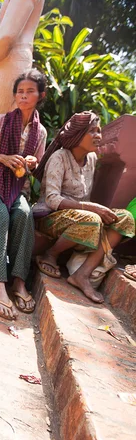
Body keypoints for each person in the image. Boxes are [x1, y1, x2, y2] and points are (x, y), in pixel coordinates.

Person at [33, 111, 135, 303]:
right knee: (91, 219)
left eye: (99, 131)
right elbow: (53, 199)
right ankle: (50, 254)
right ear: (78, 134)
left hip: (82, 219)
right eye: (93, 131)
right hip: (51, 218)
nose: (99, 136)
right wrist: (91, 208)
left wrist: (93, 210)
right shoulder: (59, 157)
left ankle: (82, 274)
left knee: (126, 218)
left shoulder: (92, 160)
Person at [0, 69, 47, 320]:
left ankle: (17, 281)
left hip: (17, 188)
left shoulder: (41, 132)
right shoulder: (1, 121)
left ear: (40, 95)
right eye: (20, 92)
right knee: (0, 216)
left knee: (25, 214)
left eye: (29, 92)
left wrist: (31, 163)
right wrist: (0, 158)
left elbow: (36, 164)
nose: (23, 96)